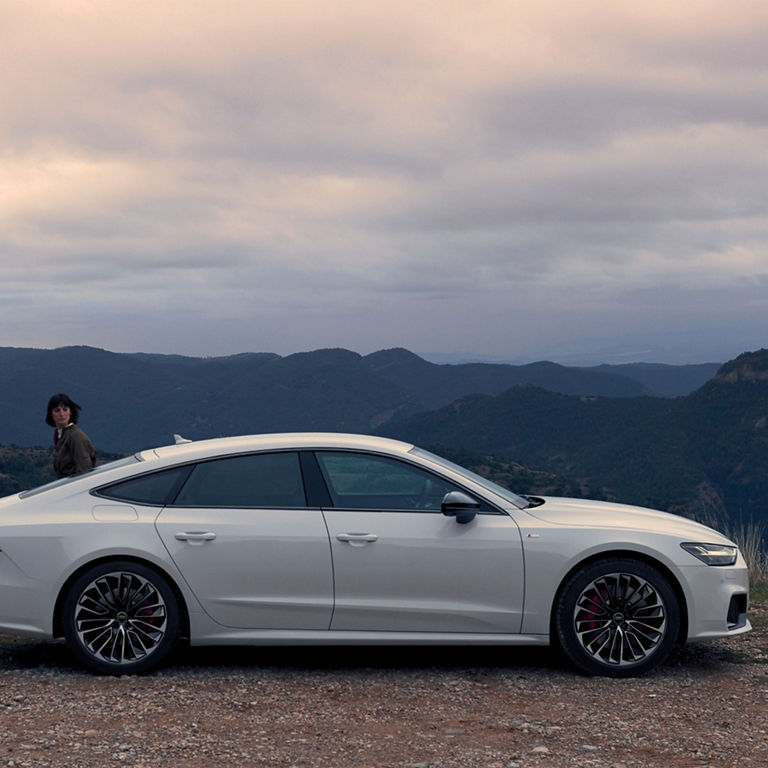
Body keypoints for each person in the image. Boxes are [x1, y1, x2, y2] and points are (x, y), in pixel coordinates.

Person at [45, 393, 96, 478]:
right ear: (51, 414)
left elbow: (85, 469)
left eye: (65, 409)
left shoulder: (75, 436)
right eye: (57, 410)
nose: (62, 414)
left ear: (71, 412)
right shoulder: (61, 435)